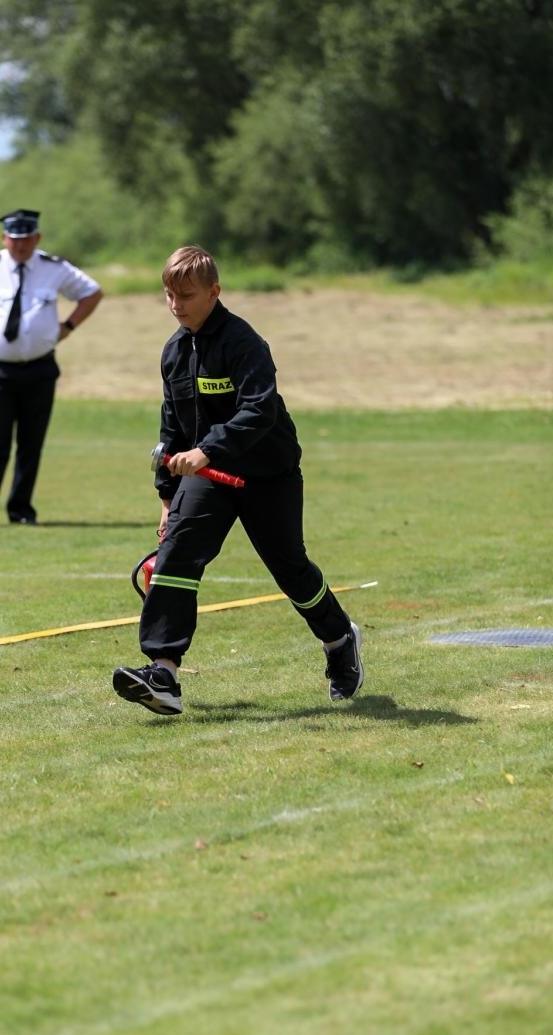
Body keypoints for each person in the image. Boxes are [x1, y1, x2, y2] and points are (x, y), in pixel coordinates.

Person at [112, 244, 364, 716]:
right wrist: (167, 498)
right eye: (169, 295)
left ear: (214, 291)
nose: (176, 305)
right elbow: (172, 428)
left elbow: (259, 410)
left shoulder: (243, 342)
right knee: (176, 555)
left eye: (187, 295)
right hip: (208, 476)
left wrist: (207, 448)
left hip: (267, 474)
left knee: (290, 568)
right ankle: (163, 674)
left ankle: (338, 638)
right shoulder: (173, 352)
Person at [0, 209, 103, 528]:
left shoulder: (54, 268)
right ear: (4, 239)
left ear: (37, 238)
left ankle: (21, 510)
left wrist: (68, 325)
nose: (21, 245)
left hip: (40, 368)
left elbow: (92, 293)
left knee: (31, 442)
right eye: (14, 239)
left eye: (27, 239)